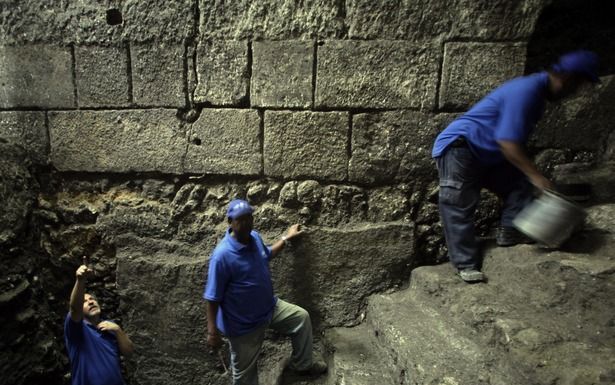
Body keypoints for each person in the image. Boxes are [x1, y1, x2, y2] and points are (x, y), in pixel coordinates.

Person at [432, 50, 600, 283]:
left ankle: (509, 232)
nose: (576, 92)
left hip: (488, 153)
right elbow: (508, 143)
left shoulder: (537, 94)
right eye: (579, 85)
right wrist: (536, 176)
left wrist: (528, 176)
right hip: (461, 147)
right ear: (569, 78)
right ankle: (465, 264)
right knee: (458, 203)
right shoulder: (527, 91)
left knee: (518, 186)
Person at [204, 199, 327, 385]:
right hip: (243, 325)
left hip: (269, 309)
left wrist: (286, 238)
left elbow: (266, 254)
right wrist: (213, 333)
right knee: (245, 376)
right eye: (240, 219)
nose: (246, 223)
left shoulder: (254, 237)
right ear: (230, 221)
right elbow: (212, 298)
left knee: (301, 319)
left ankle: (302, 366)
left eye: (249, 218)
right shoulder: (222, 256)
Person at [65, 257, 134, 385]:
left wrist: (118, 330)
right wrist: (80, 281)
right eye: (85, 301)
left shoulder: (109, 327)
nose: (90, 301)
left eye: (92, 299)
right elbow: (75, 308)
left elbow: (129, 352)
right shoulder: (76, 330)